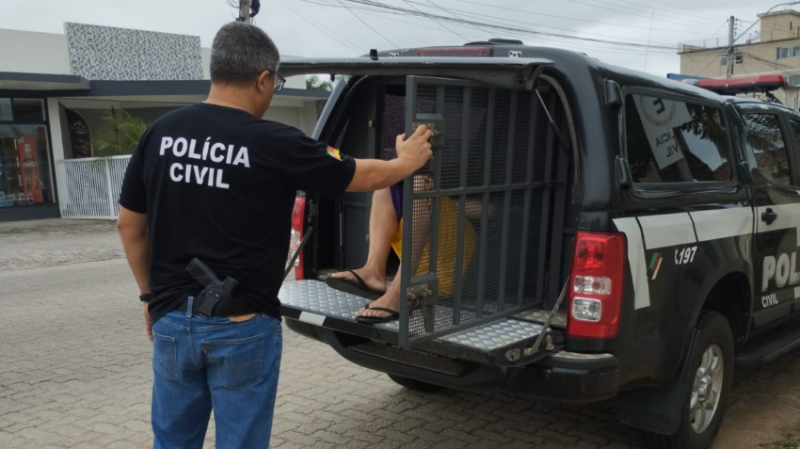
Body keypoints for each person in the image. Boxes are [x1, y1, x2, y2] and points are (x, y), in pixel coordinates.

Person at [116, 22, 432, 449]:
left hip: (171, 319)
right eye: (276, 82)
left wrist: (149, 298)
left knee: (172, 442)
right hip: (242, 324)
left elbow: (129, 225)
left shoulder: (161, 132)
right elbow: (358, 173)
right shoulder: (275, 141)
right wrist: (405, 161)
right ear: (263, 78)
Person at [327, 175, 483, 324]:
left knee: (419, 185)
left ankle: (399, 292)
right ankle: (373, 271)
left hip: (454, 261)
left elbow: (492, 208)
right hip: (421, 259)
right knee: (385, 187)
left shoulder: (481, 158)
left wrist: (441, 200)